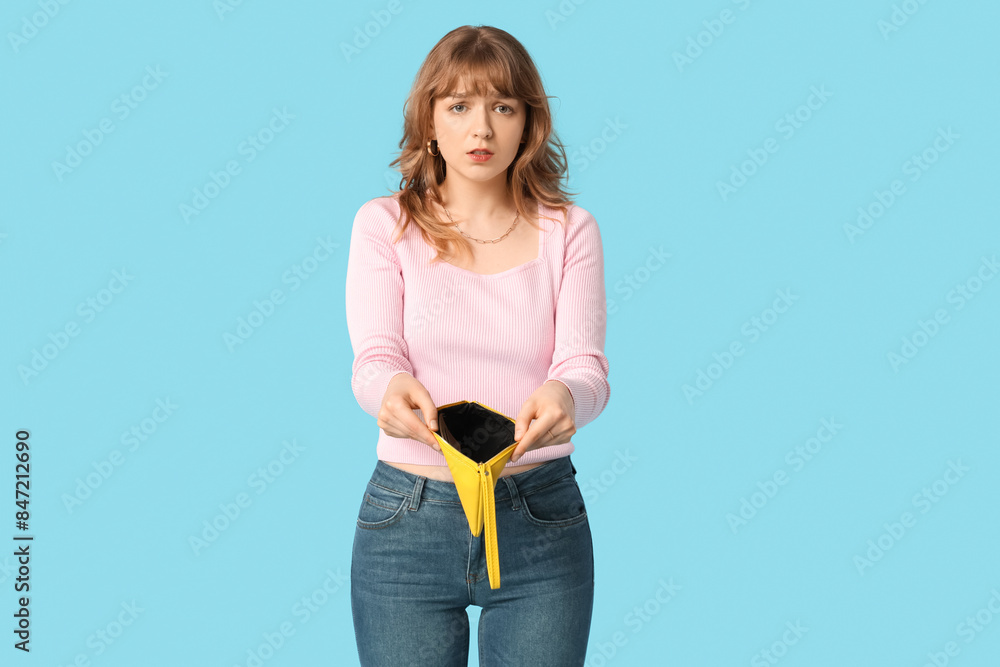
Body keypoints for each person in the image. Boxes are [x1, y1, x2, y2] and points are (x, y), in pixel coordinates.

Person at [345, 24, 610, 666]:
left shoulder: (570, 231)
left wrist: (565, 392)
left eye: (503, 106)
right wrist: (386, 392)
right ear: (429, 120)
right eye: (459, 106)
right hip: (408, 517)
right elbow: (375, 357)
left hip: (539, 514)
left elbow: (587, 369)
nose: (482, 129)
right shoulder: (387, 225)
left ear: (528, 122)